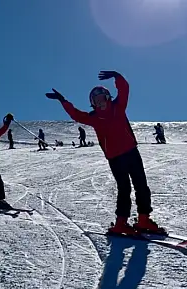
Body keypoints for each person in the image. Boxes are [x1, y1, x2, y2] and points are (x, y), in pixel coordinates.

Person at [46, 70, 165, 235]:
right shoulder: (93, 117)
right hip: (115, 158)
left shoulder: (118, 107)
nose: (100, 102)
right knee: (124, 189)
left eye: (102, 98)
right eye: (96, 100)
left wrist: (117, 76)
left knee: (141, 186)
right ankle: (121, 223)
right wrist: (63, 100)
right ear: (92, 103)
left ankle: (143, 219)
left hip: (131, 151)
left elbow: (124, 90)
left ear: (108, 98)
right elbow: (75, 114)